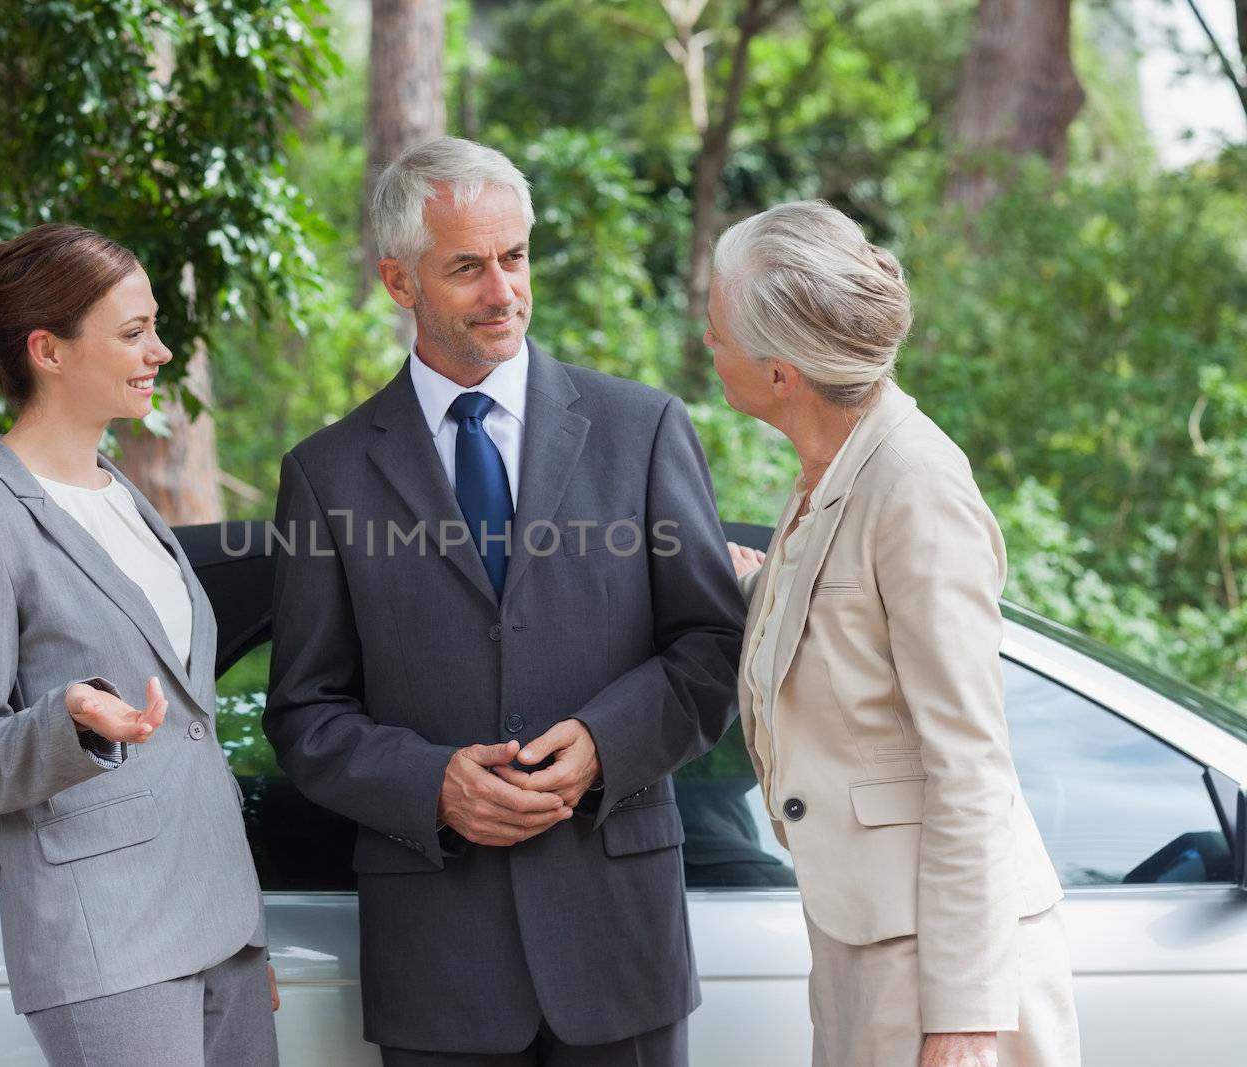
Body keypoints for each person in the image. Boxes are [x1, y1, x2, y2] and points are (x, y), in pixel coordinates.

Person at [264, 136, 746, 1066]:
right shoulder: (325, 475)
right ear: (400, 282)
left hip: (621, 948)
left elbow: (712, 646)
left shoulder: (643, 430)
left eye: (515, 257)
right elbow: (305, 711)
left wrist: (607, 744)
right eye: (468, 268)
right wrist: (430, 785)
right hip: (439, 964)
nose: (503, 291)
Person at [707, 200, 1080, 1067]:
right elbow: (858, 635)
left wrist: (960, 1021)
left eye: (717, 327)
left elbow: (970, 762)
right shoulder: (831, 469)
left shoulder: (915, 485)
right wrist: (764, 585)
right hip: (868, 933)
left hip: (941, 966)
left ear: (781, 373)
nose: (707, 344)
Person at [0, 223, 278, 1067]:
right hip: (111, 945)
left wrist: (243, 927)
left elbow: (187, 728)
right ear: (50, 350)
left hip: (221, 928)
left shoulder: (125, 497)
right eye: (134, 332)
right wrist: (68, 722)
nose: (162, 350)